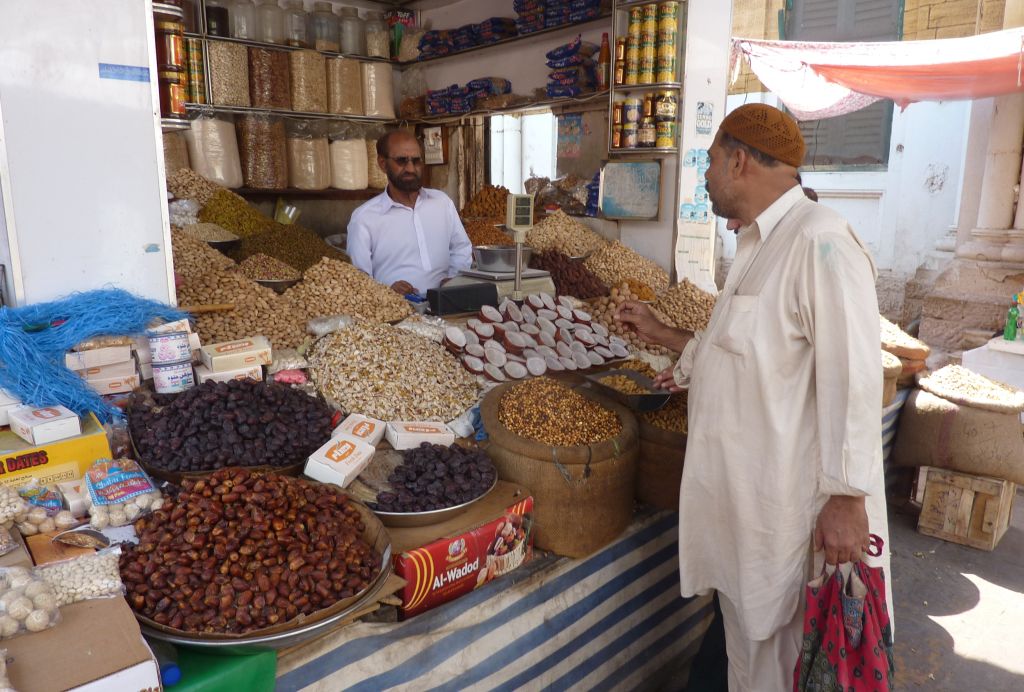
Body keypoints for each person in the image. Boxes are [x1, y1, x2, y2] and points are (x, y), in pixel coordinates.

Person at [617, 103, 890, 691]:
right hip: (744, 510)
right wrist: (663, 334)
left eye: (711, 161)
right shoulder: (756, 244)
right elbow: (740, 348)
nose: (706, 175)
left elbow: (855, 378)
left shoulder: (820, 242)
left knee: (779, 664)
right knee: (747, 654)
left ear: (739, 161)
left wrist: (847, 498)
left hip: (787, 516)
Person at [347, 130, 472, 295]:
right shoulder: (364, 218)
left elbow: (461, 248)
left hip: (446, 303)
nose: (411, 168)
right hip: (394, 309)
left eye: (416, 161)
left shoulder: (442, 203)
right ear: (383, 164)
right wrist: (387, 292)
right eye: (401, 161)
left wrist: (453, 279)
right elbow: (358, 279)